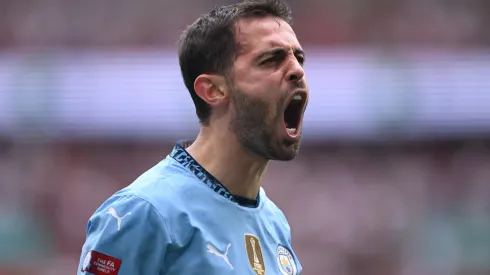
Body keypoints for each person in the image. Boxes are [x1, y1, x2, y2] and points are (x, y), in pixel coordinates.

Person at [77, 0, 308, 274]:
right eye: (271, 59)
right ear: (212, 90)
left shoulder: (274, 223)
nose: (298, 70)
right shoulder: (143, 213)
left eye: (299, 58)